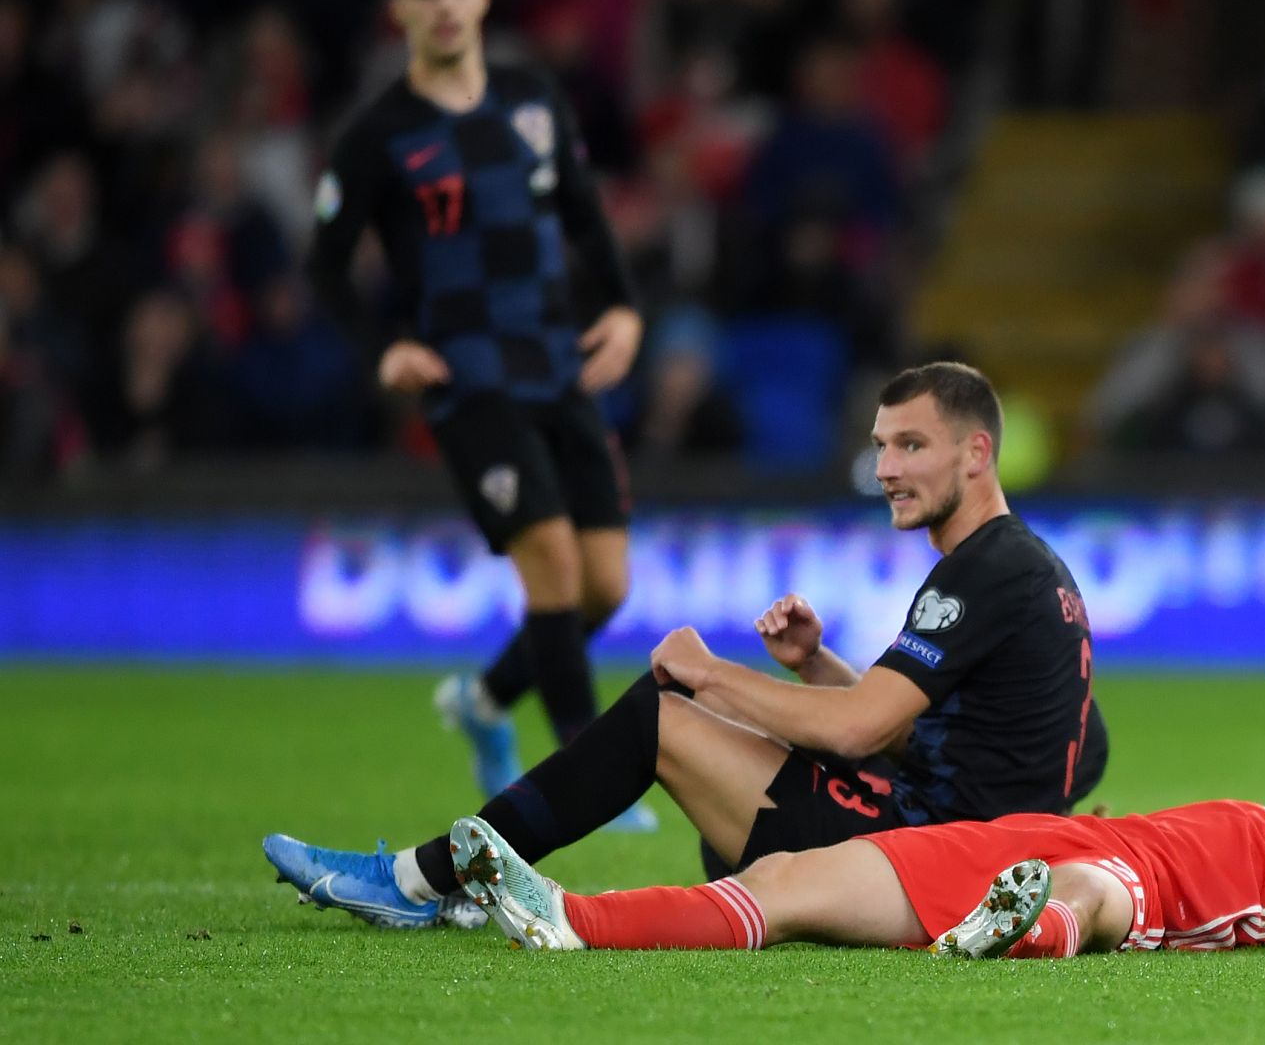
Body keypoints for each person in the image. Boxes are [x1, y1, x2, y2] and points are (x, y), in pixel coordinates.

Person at [265, 362, 1110, 928]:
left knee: (662, 720)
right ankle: (458, 879)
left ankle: (422, 881)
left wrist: (710, 675)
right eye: (881, 444)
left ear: (977, 453)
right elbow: (946, 730)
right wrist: (815, 668)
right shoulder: (1024, 567)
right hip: (972, 844)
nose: (885, 467)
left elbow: (860, 731)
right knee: (727, 795)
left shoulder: (986, 570)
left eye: (911, 445)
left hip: (932, 859)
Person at [306, 0, 653, 826]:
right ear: (399, 10)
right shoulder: (379, 131)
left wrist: (623, 310)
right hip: (468, 378)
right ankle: (588, 772)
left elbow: (583, 214)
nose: (445, 5)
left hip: (558, 363)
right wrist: (384, 346)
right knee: (554, 565)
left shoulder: (533, 102)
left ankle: (485, 700)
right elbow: (325, 264)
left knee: (605, 587)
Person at [442, 798, 1265, 960]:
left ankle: (1025, 932)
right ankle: (574, 918)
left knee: (1087, 893)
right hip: (1065, 828)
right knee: (788, 874)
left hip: (1155, 889)